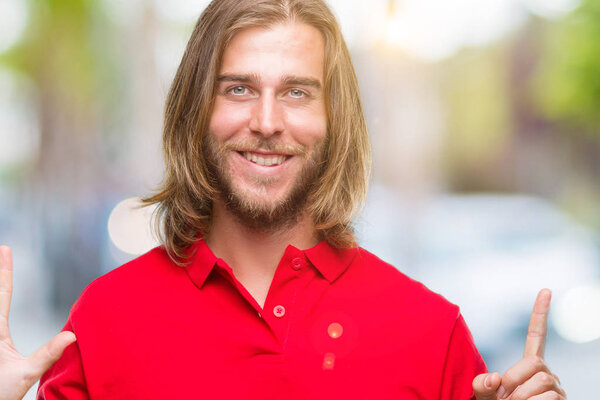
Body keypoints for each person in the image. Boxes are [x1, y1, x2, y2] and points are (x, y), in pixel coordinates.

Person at [0, 0, 566, 399]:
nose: (267, 122)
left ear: (334, 121)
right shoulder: (103, 323)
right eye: (239, 88)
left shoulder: (432, 334)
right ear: (196, 112)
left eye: (297, 92)